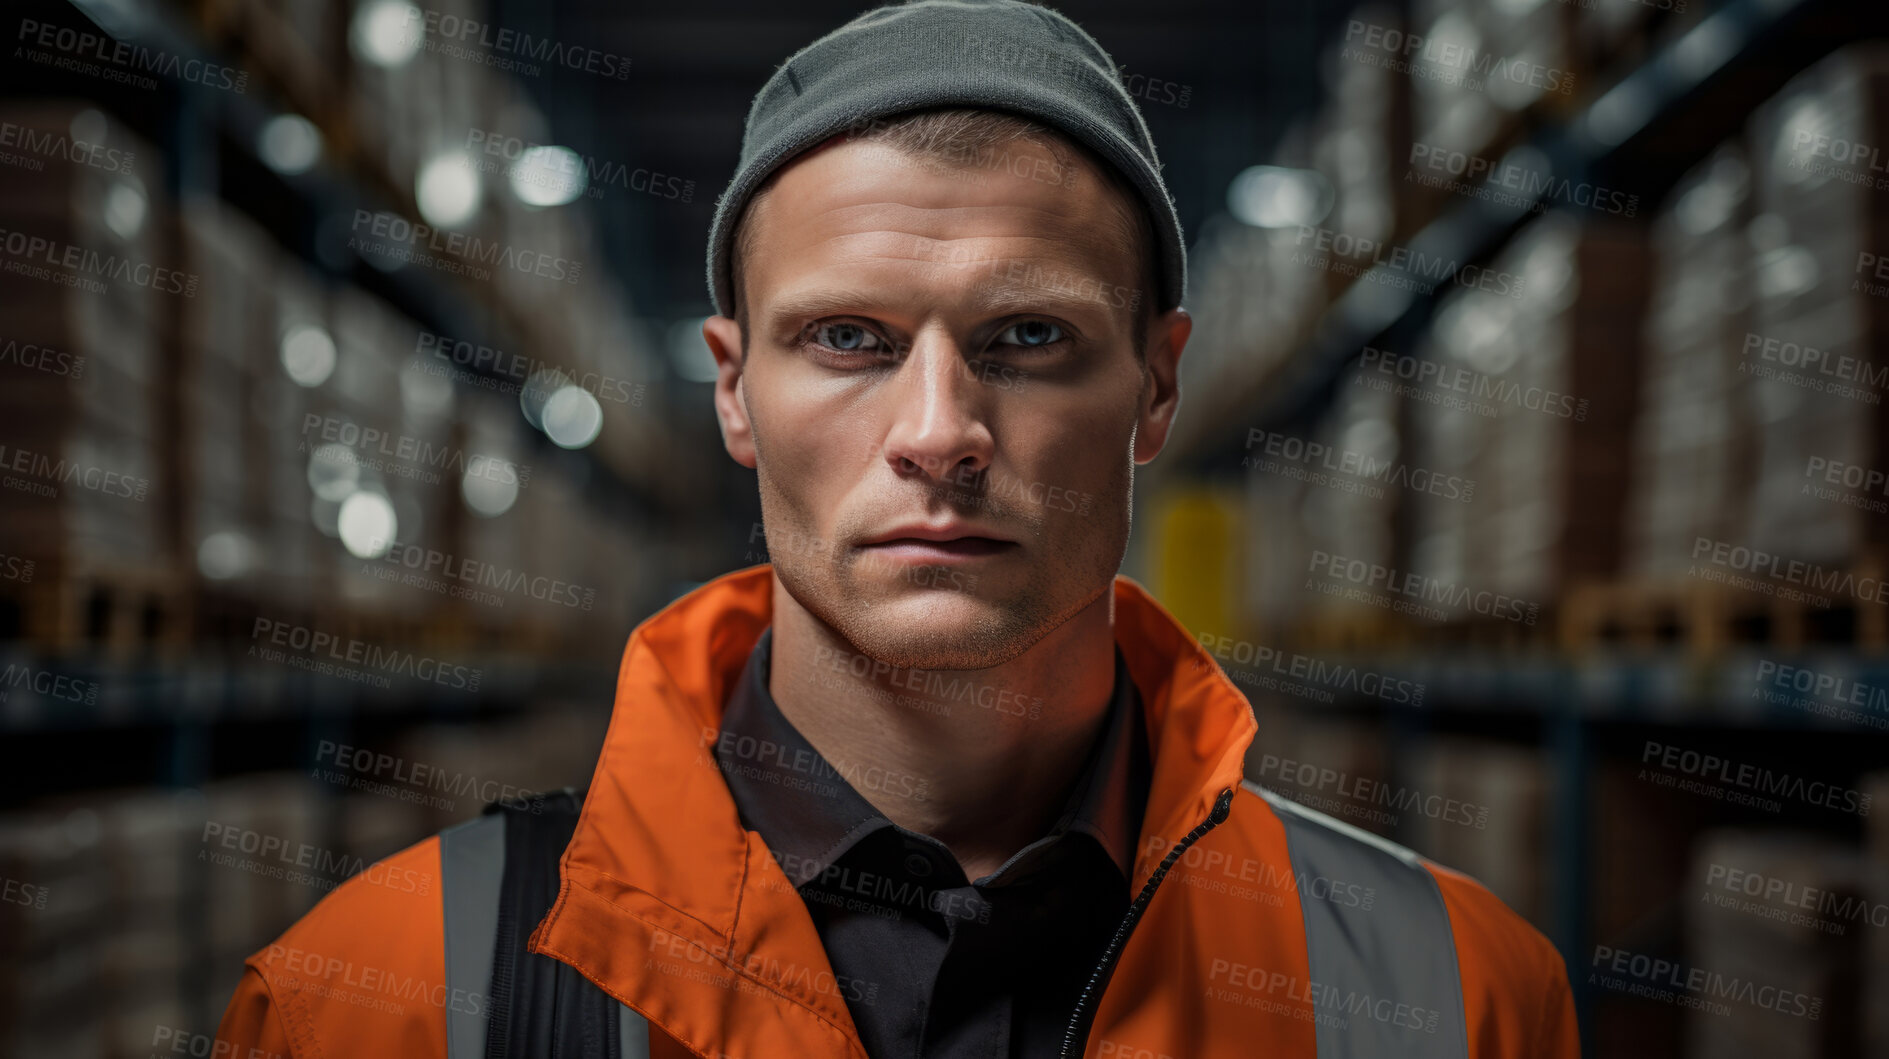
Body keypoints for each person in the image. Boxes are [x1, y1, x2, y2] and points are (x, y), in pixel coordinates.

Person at [216, 1, 1580, 1056]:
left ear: (1155, 387)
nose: (939, 429)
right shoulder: (383, 998)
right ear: (735, 388)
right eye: (849, 339)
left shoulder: (1454, 994)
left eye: (1029, 337)